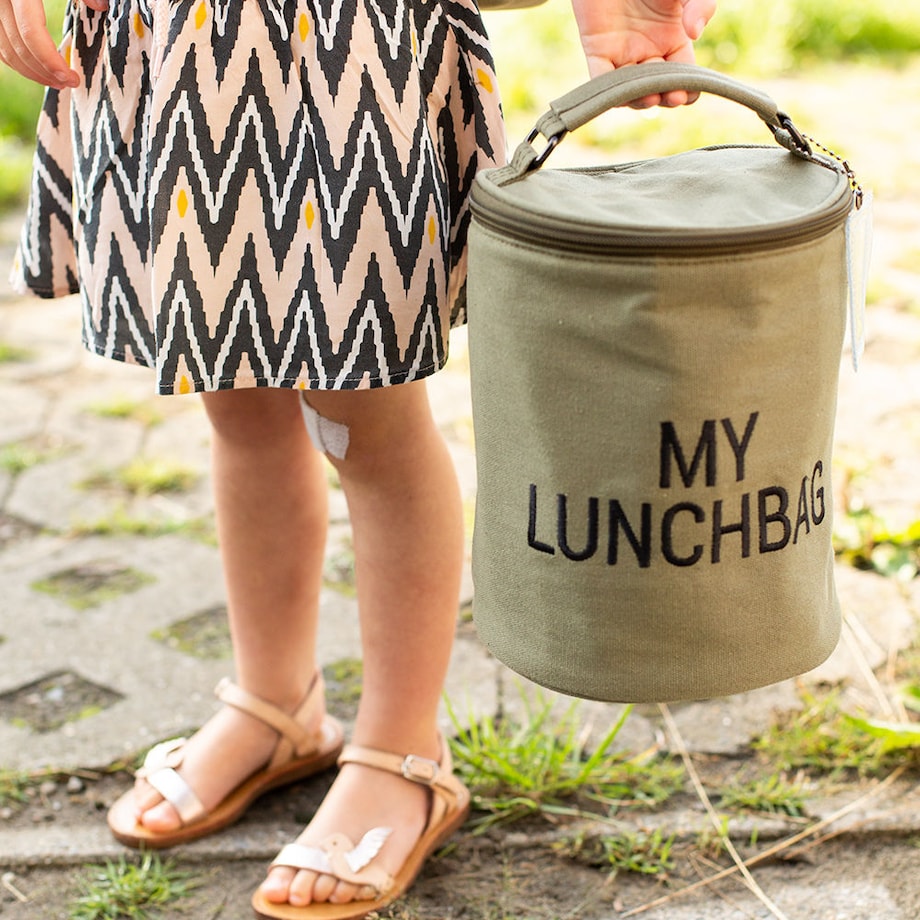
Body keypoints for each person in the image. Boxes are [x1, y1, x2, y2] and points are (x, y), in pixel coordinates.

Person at [1, 0, 716, 916]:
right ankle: (277, 705)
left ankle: (403, 748)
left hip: (346, 61)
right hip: (174, 48)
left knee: (365, 414)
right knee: (236, 397)